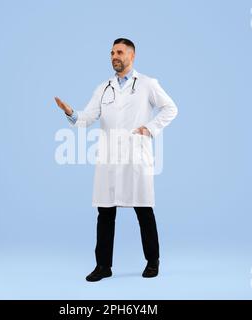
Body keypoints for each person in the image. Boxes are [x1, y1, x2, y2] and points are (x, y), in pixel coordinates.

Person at [54, 38, 178, 281]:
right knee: (105, 212)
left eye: (119, 52)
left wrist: (150, 128)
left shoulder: (147, 84)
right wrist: (70, 112)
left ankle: (153, 262)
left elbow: (171, 108)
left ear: (131, 56)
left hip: (135, 157)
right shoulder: (103, 88)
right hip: (109, 159)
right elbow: (87, 118)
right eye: (112, 52)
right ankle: (103, 267)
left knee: (144, 210)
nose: (114, 56)